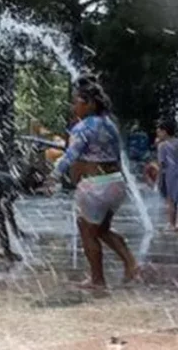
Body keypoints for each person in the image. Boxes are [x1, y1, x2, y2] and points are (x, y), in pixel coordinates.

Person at [51, 74, 138, 289]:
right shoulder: (110, 125)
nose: (74, 106)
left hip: (95, 185)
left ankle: (97, 280)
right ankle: (130, 262)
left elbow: (71, 157)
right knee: (102, 229)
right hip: (116, 184)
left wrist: (53, 175)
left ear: (89, 103)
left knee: (86, 228)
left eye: (76, 102)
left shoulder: (82, 128)